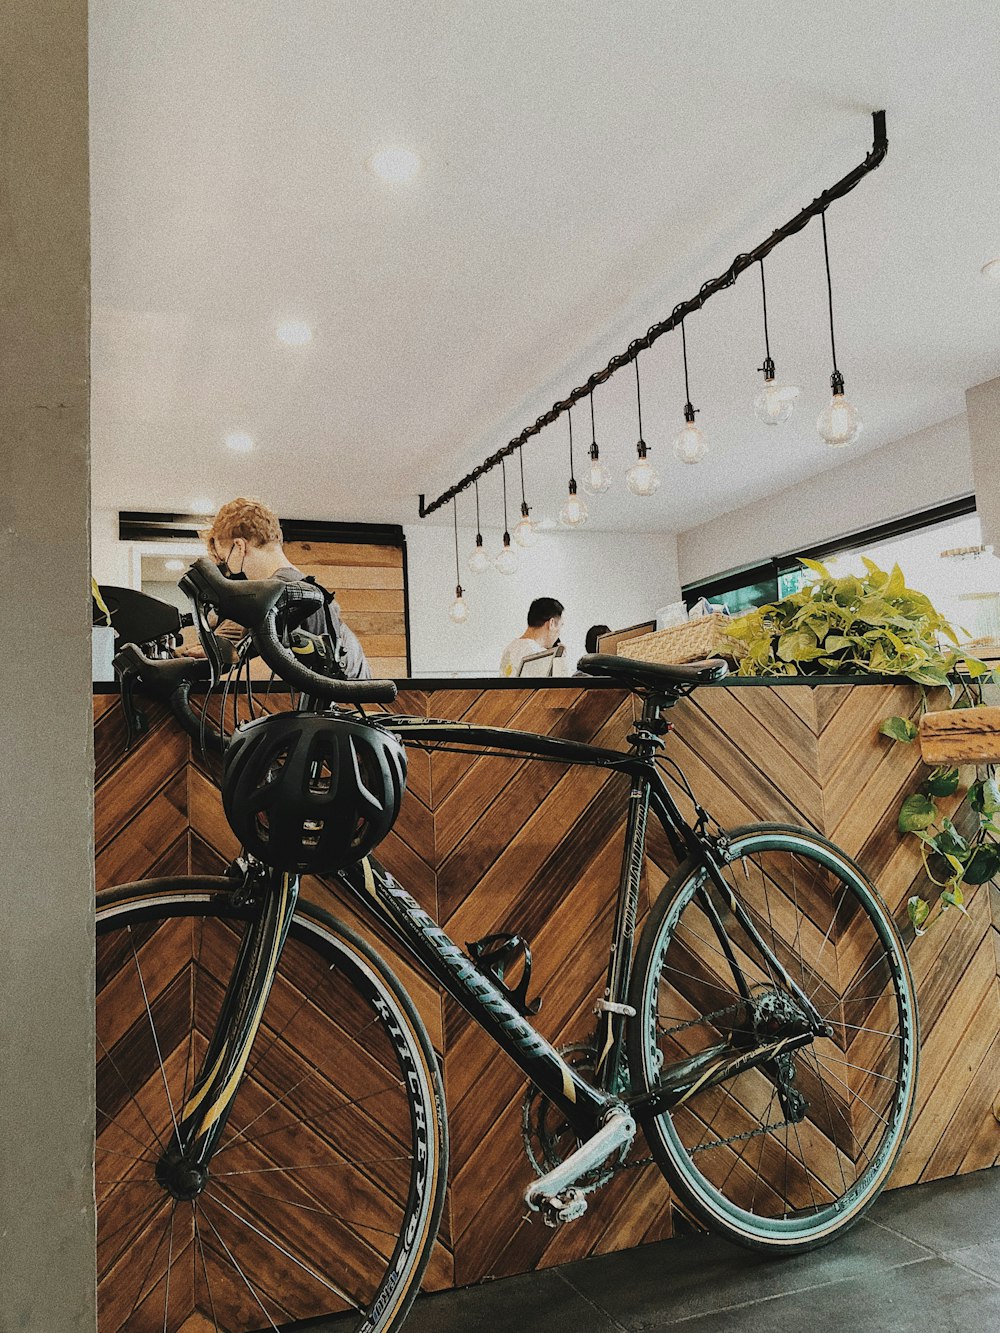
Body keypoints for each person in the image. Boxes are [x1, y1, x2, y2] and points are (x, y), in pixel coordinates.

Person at [180, 496, 371, 678]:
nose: (228, 569)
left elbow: (231, 642)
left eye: (224, 559)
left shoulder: (279, 594)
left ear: (239, 546)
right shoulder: (308, 589)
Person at [499, 597, 564, 676]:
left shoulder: (510, 648)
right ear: (552, 623)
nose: (559, 633)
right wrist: (560, 662)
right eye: (561, 625)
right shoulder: (539, 655)